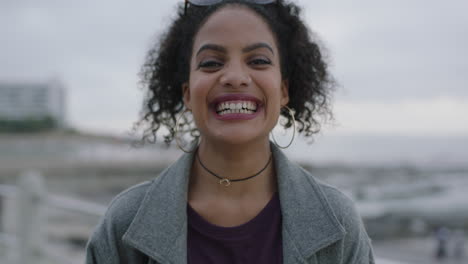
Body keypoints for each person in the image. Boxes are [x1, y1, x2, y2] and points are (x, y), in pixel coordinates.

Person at [85, 0, 375, 263]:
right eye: (211, 63)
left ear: (284, 90)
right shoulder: (124, 223)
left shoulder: (339, 222)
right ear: (187, 93)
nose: (235, 77)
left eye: (258, 60)